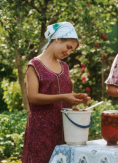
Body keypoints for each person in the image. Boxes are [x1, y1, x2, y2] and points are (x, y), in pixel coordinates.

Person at [22, 22, 91, 163]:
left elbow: (64, 93)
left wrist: (78, 97)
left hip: (65, 130)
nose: (68, 52)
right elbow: (33, 97)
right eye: (68, 47)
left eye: (72, 50)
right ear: (58, 39)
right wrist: (63, 97)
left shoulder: (64, 67)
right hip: (41, 130)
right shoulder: (34, 65)